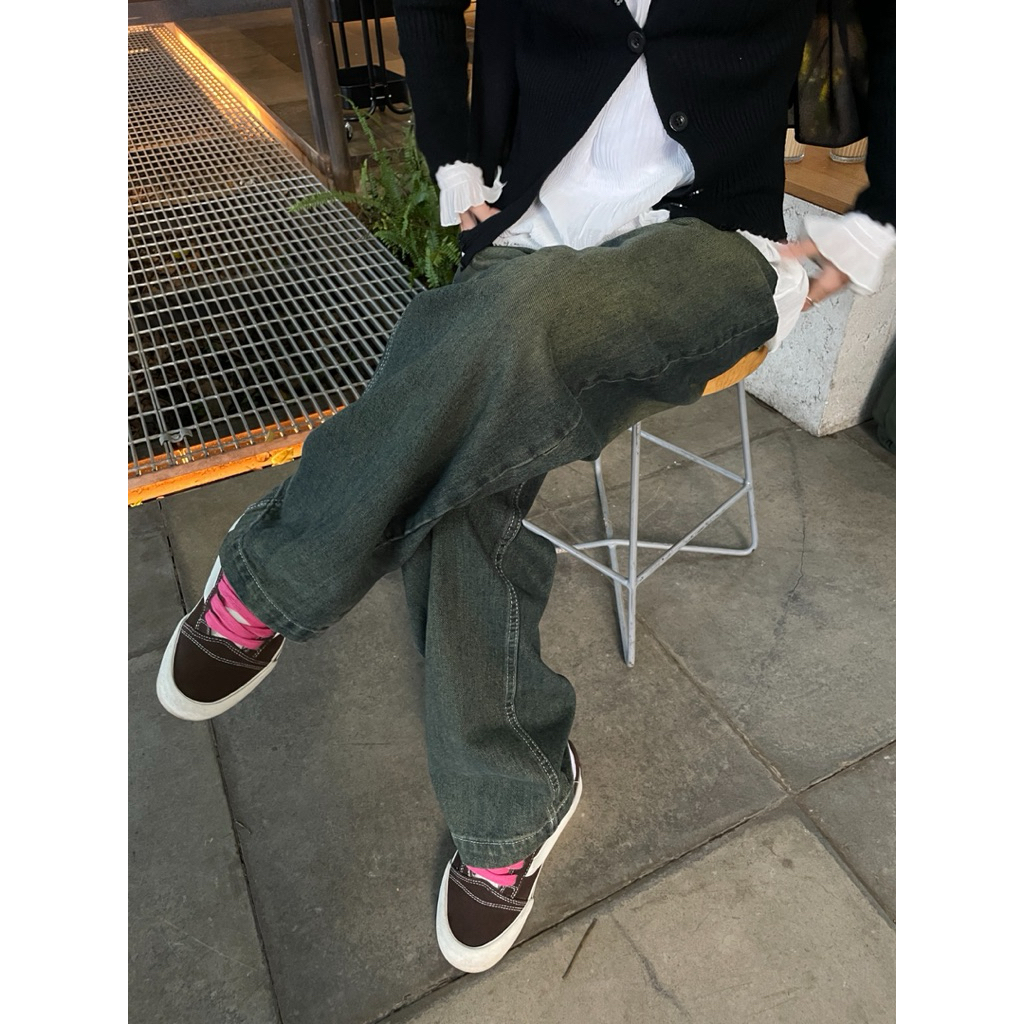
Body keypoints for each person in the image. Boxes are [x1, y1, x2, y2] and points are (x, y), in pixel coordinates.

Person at [156, 0, 895, 975]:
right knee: (476, 445)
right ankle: (512, 805)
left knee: (504, 325)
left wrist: (872, 224)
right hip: (532, 219)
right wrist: (454, 161)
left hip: (714, 241)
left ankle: (282, 566)